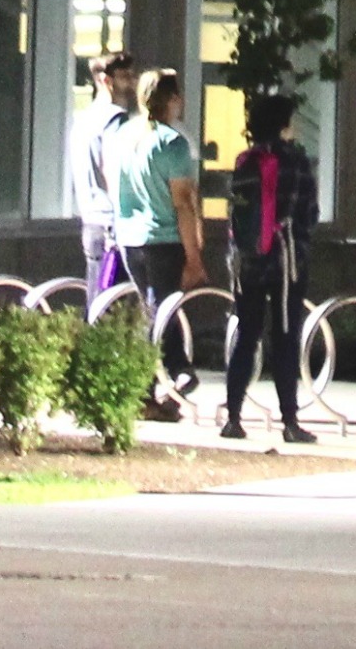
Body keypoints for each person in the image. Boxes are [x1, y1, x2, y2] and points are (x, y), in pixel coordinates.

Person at [215, 97, 317, 445]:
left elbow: (236, 213)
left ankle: (233, 417)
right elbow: (309, 212)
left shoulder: (245, 161)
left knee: (247, 335)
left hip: (249, 262)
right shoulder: (298, 161)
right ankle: (290, 421)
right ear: (284, 124)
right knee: (285, 337)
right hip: (288, 260)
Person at [112, 65, 204, 417]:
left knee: (153, 309)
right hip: (163, 237)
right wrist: (194, 255)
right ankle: (161, 381)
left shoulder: (123, 136)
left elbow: (113, 184)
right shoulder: (172, 143)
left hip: (130, 237)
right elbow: (182, 202)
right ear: (174, 100)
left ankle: (165, 379)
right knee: (162, 311)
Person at [64, 48, 139, 304]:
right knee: (116, 307)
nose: (132, 82)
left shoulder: (83, 120)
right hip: (114, 226)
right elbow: (115, 169)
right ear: (105, 80)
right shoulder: (116, 120)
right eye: (125, 76)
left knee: (98, 301)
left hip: (92, 221)